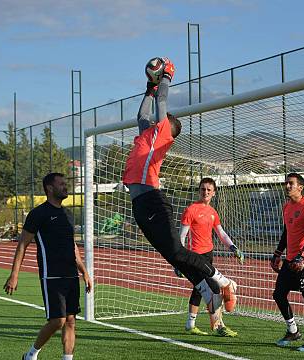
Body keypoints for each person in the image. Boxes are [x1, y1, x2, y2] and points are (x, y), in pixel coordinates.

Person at [122, 57, 236, 315]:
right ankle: (206, 292)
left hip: (152, 200)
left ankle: (223, 281)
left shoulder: (162, 134)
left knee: (177, 250)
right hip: (139, 204)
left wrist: (166, 78)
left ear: (167, 129)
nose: (155, 121)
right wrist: (148, 89)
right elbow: (142, 114)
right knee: (169, 254)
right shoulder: (146, 135)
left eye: (162, 121)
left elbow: (162, 102)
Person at [4, 172, 92, 360]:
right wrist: (14, 274)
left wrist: (84, 271)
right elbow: (23, 244)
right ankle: (31, 354)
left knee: (70, 321)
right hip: (51, 276)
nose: (65, 187)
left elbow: (72, 245)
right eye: (61, 184)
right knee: (57, 321)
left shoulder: (67, 214)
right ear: (50, 188)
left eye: (65, 183)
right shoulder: (38, 214)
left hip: (71, 275)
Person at [177, 177, 245, 337]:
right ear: (199, 190)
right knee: (214, 288)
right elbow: (182, 236)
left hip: (208, 255)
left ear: (213, 193)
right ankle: (219, 326)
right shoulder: (191, 210)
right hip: (195, 256)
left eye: (209, 189)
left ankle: (190, 324)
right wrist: (178, 261)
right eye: (202, 189)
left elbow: (221, 233)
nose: (205, 192)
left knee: (199, 289)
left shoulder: (213, 212)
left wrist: (233, 247)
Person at [270, 173, 304, 352]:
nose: (287, 186)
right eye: (286, 184)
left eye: (291, 184)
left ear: (301, 187)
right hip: (290, 261)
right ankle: (293, 331)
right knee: (278, 294)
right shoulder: (286, 207)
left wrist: (303, 255)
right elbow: (286, 232)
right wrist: (278, 253)